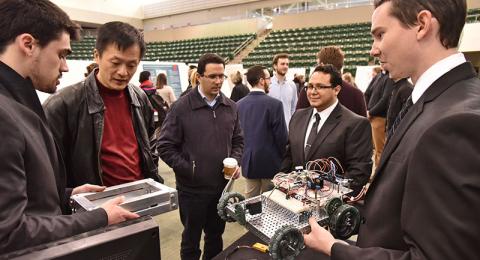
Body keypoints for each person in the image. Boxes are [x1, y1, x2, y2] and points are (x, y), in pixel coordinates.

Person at [304, 1, 480, 259]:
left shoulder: (454, 123)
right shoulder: (437, 99)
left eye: (380, 34)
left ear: (422, 25)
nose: (374, 49)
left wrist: (335, 248)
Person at [0, 0, 138, 254]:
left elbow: (30, 197)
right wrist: (99, 217)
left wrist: (67, 194)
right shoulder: (7, 113)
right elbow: (10, 232)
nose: (65, 66)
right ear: (28, 44)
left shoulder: (20, 104)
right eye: (62, 54)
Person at [43, 21, 162, 188]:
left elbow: (150, 143)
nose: (123, 72)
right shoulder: (63, 104)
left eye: (131, 65)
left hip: (139, 200)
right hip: (93, 207)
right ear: (96, 55)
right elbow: (47, 169)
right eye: (115, 63)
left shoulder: (140, 98)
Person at [157, 53, 243, 260]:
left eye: (221, 76)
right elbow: (165, 146)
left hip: (221, 188)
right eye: (212, 76)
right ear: (199, 77)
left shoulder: (230, 107)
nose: (218, 81)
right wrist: (189, 169)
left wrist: (236, 160)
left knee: (215, 237)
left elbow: (238, 140)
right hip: (191, 190)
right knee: (191, 241)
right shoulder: (182, 107)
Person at [281, 65, 372, 196]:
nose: (312, 92)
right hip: (295, 201)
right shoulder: (298, 116)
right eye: (310, 86)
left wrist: (323, 197)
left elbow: (358, 174)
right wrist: (282, 185)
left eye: (320, 87)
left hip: (329, 207)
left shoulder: (356, 124)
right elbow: (289, 157)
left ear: (336, 89)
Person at [237, 65, 288, 198]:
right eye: (268, 78)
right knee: (270, 203)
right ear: (261, 80)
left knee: (250, 204)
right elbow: (281, 137)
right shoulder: (275, 104)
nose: (270, 81)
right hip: (270, 162)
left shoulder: (239, 105)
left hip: (249, 162)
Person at [296, 46, 367, 118]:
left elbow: (298, 122)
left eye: (317, 64)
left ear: (322, 65)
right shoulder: (357, 95)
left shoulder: (309, 91)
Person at [366, 70, 394, 167]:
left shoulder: (389, 78)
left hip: (379, 117)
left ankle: (379, 175)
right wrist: (367, 109)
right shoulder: (379, 76)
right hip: (371, 116)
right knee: (375, 150)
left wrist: (371, 112)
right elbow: (367, 93)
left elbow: (385, 99)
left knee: (380, 150)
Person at [268, 53, 298, 126]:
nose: (285, 66)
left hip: (287, 128)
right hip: (270, 128)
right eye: (282, 64)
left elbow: (293, 108)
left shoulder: (292, 85)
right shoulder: (268, 84)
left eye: (287, 64)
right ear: (275, 66)